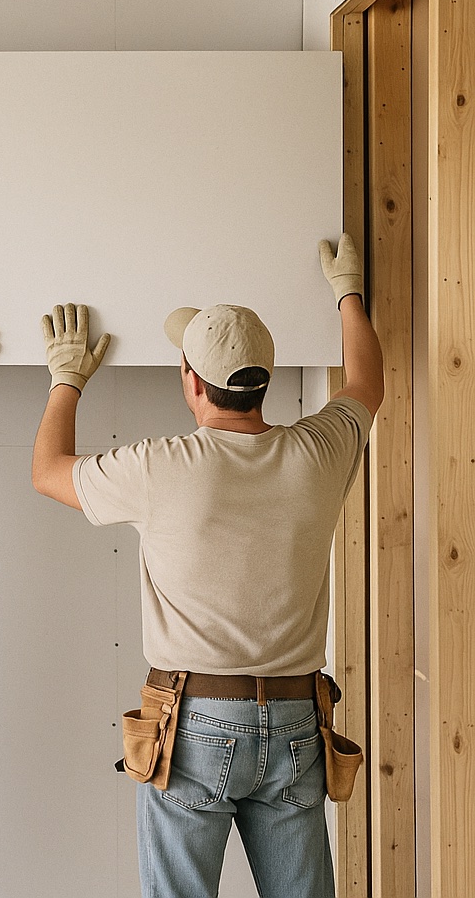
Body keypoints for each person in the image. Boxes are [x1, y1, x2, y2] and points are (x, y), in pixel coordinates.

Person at [31, 234, 382, 898]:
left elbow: (46, 471)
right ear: (266, 380)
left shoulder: (161, 466)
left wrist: (66, 380)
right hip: (295, 725)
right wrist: (348, 295)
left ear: (191, 382)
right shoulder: (318, 453)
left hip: (193, 725)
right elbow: (368, 384)